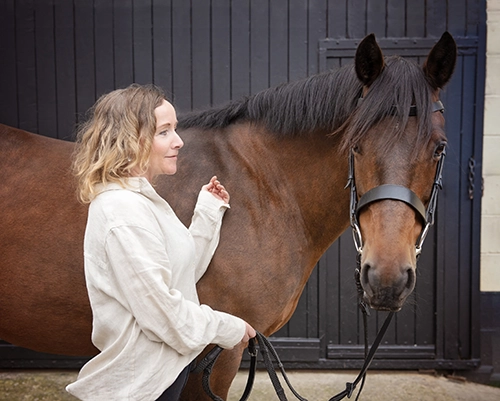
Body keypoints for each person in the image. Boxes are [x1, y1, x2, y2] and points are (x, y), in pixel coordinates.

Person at [66, 83, 256, 401]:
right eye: (164, 132)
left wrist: (208, 212)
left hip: (162, 375)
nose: (178, 141)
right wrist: (228, 328)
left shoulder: (142, 200)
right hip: (140, 386)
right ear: (130, 140)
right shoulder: (122, 211)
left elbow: (180, 272)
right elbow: (163, 315)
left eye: (175, 130)